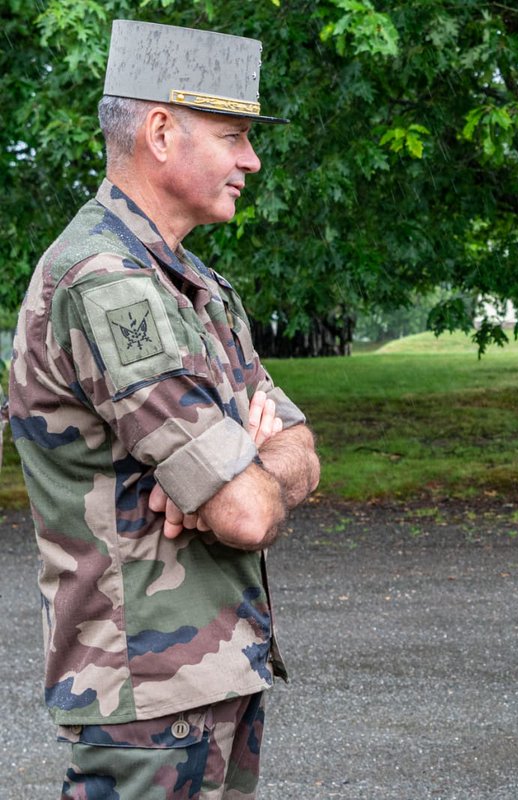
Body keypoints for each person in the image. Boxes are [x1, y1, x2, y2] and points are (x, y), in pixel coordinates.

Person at [7, 20, 320, 797]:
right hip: (146, 699)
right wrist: (237, 479)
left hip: (210, 676)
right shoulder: (106, 283)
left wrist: (246, 470)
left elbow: (300, 448)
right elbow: (245, 515)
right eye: (233, 136)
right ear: (158, 132)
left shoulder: (194, 285)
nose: (252, 159)